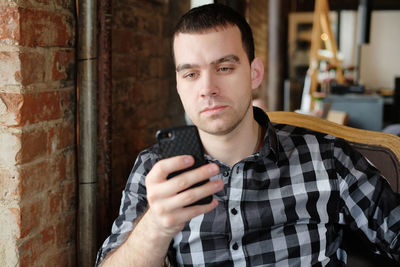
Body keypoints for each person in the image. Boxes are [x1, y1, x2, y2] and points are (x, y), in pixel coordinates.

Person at [96, 4, 400, 266]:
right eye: (190, 74)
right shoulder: (156, 171)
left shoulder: (327, 158)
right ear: (178, 86)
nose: (207, 88)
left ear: (254, 73)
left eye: (225, 68)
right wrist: (156, 228)